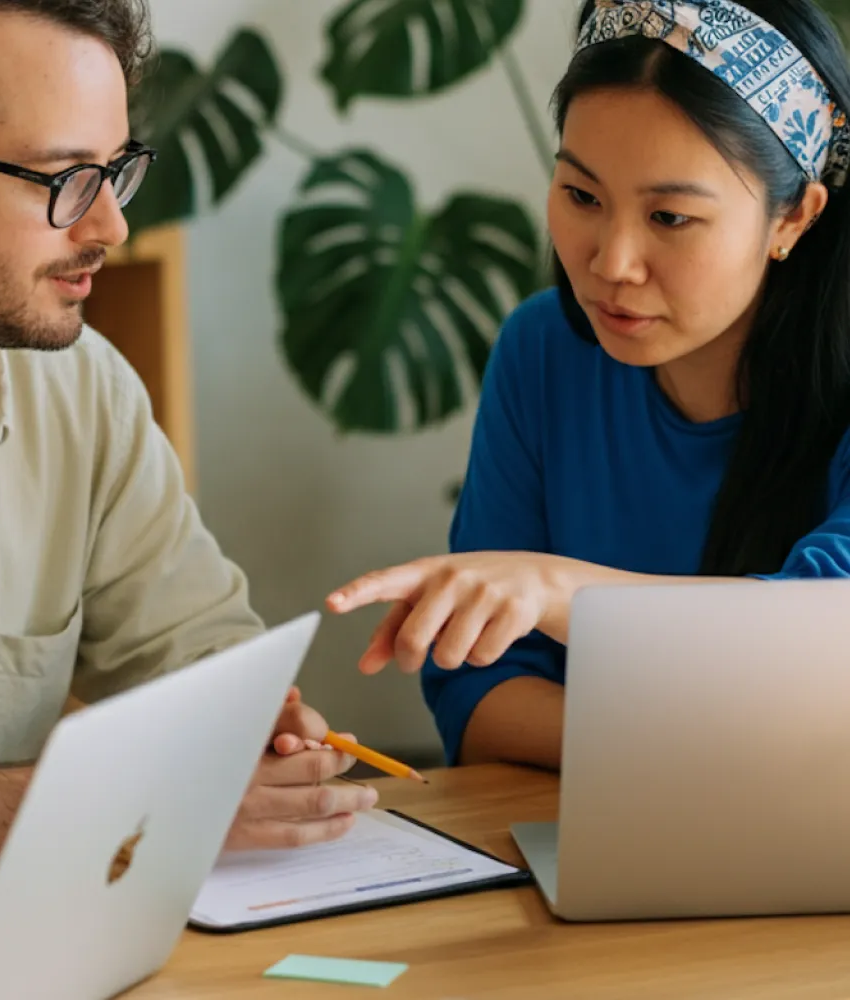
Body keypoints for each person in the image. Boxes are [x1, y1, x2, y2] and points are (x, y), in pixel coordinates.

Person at [0, 0, 377, 896]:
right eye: (61, 180)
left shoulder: (83, 391)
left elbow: (204, 665)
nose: (109, 228)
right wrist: (104, 800)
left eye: (116, 173)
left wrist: (256, 735)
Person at [327, 0, 850, 772]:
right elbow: (479, 694)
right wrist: (720, 747)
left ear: (792, 220)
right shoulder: (542, 350)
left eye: (670, 217)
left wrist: (559, 593)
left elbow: (828, 636)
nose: (610, 263)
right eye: (581, 197)